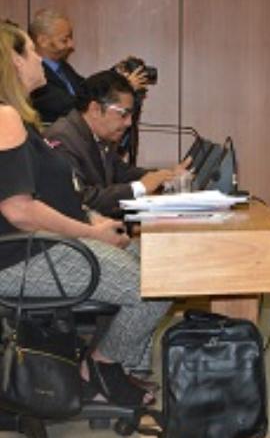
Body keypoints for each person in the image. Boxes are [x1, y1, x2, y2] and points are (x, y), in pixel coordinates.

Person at [0, 21, 169, 407]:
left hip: (42, 245)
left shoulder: (19, 118)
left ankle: (115, 366)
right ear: (14, 60)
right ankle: (100, 367)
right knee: (156, 285)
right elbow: (19, 209)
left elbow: (50, 195)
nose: (40, 58)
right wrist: (90, 233)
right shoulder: (5, 117)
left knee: (153, 263)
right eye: (31, 50)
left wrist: (92, 221)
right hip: (22, 256)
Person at [44, 70, 187, 218]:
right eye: (123, 114)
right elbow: (81, 199)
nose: (129, 122)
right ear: (95, 109)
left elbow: (122, 172)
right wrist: (139, 188)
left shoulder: (98, 136)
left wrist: (164, 176)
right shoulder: (62, 138)